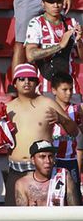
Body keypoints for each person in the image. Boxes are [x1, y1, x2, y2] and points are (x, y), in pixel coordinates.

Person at [0, 64, 78, 205]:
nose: (26, 82)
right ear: (14, 83)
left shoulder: (48, 103)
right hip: (15, 170)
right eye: (21, 79)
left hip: (43, 172)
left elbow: (74, 131)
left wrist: (61, 118)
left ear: (37, 83)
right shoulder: (6, 108)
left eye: (31, 79)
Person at [25, 0, 82, 94]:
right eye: (51, 2)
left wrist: (79, 41)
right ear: (43, 3)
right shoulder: (36, 23)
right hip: (44, 87)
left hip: (70, 88)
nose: (56, 5)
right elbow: (30, 55)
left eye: (59, 1)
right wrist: (60, 45)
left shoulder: (73, 22)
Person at [50, 72, 83, 205]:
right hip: (52, 160)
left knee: (74, 196)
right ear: (53, 90)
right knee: (53, 196)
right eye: (64, 89)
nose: (69, 93)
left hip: (70, 160)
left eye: (71, 89)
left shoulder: (77, 110)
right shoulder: (48, 109)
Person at [13, 140, 70, 206]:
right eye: (42, 157)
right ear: (33, 160)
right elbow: (21, 214)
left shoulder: (64, 176)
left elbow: (76, 211)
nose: (48, 161)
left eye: (50, 156)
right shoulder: (22, 184)